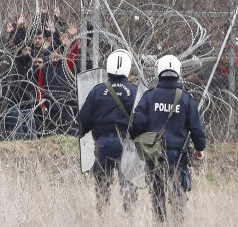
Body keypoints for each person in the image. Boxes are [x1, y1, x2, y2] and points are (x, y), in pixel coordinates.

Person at [130, 55, 206, 223]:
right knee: (178, 191)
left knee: (158, 192)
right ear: (178, 72)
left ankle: (160, 222)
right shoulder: (186, 98)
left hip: (154, 153)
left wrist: (138, 139)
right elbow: (196, 128)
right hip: (178, 155)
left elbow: (138, 123)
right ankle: (178, 221)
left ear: (159, 72)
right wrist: (200, 147)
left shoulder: (149, 96)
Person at [78, 49, 138, 215]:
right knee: (127, 186)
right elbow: (142, 121)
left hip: (103, 144)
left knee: (102, 186)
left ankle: (103, 217)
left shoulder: (97, 91)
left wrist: (84, 133)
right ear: (127, 68)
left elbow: (83, 120)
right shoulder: (134, 92)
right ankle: (128, 217)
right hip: (126, 145)